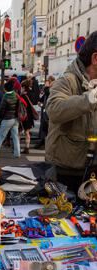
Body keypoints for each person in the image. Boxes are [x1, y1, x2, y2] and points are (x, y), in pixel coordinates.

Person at [46, 32, 97, 193]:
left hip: (91, 171)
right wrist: (90, 98)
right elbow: (54, 109)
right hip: (66, 172)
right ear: (95, 59)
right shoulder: (68, 80)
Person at [0, 79, 20, 159]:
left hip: (7, 119)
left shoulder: (5, 96)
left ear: (5, 89)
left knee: (1, 136)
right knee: (15, 137)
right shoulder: (15, 95)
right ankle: (17, 153)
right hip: (15, 119)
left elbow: (2, 110)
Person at [35, 76, 55, 150]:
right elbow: (41, 98)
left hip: (49, 112)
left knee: (47, 128)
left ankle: (45, 143)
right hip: (45, 110)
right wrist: (40, 103)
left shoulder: (52, 89)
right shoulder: (48, 90)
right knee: (44, 128)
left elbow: (47, 93)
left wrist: (46, 86)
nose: (46, 83)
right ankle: (43, 142)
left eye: (47, 81)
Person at [21, 79, 36, 154]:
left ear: (23, 87)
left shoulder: (23, 95)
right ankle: (27, 147)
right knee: (27, 132)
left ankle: (17, 148)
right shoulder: (31, 93)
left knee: (19, 131)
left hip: (24, 115)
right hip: (30, 115)